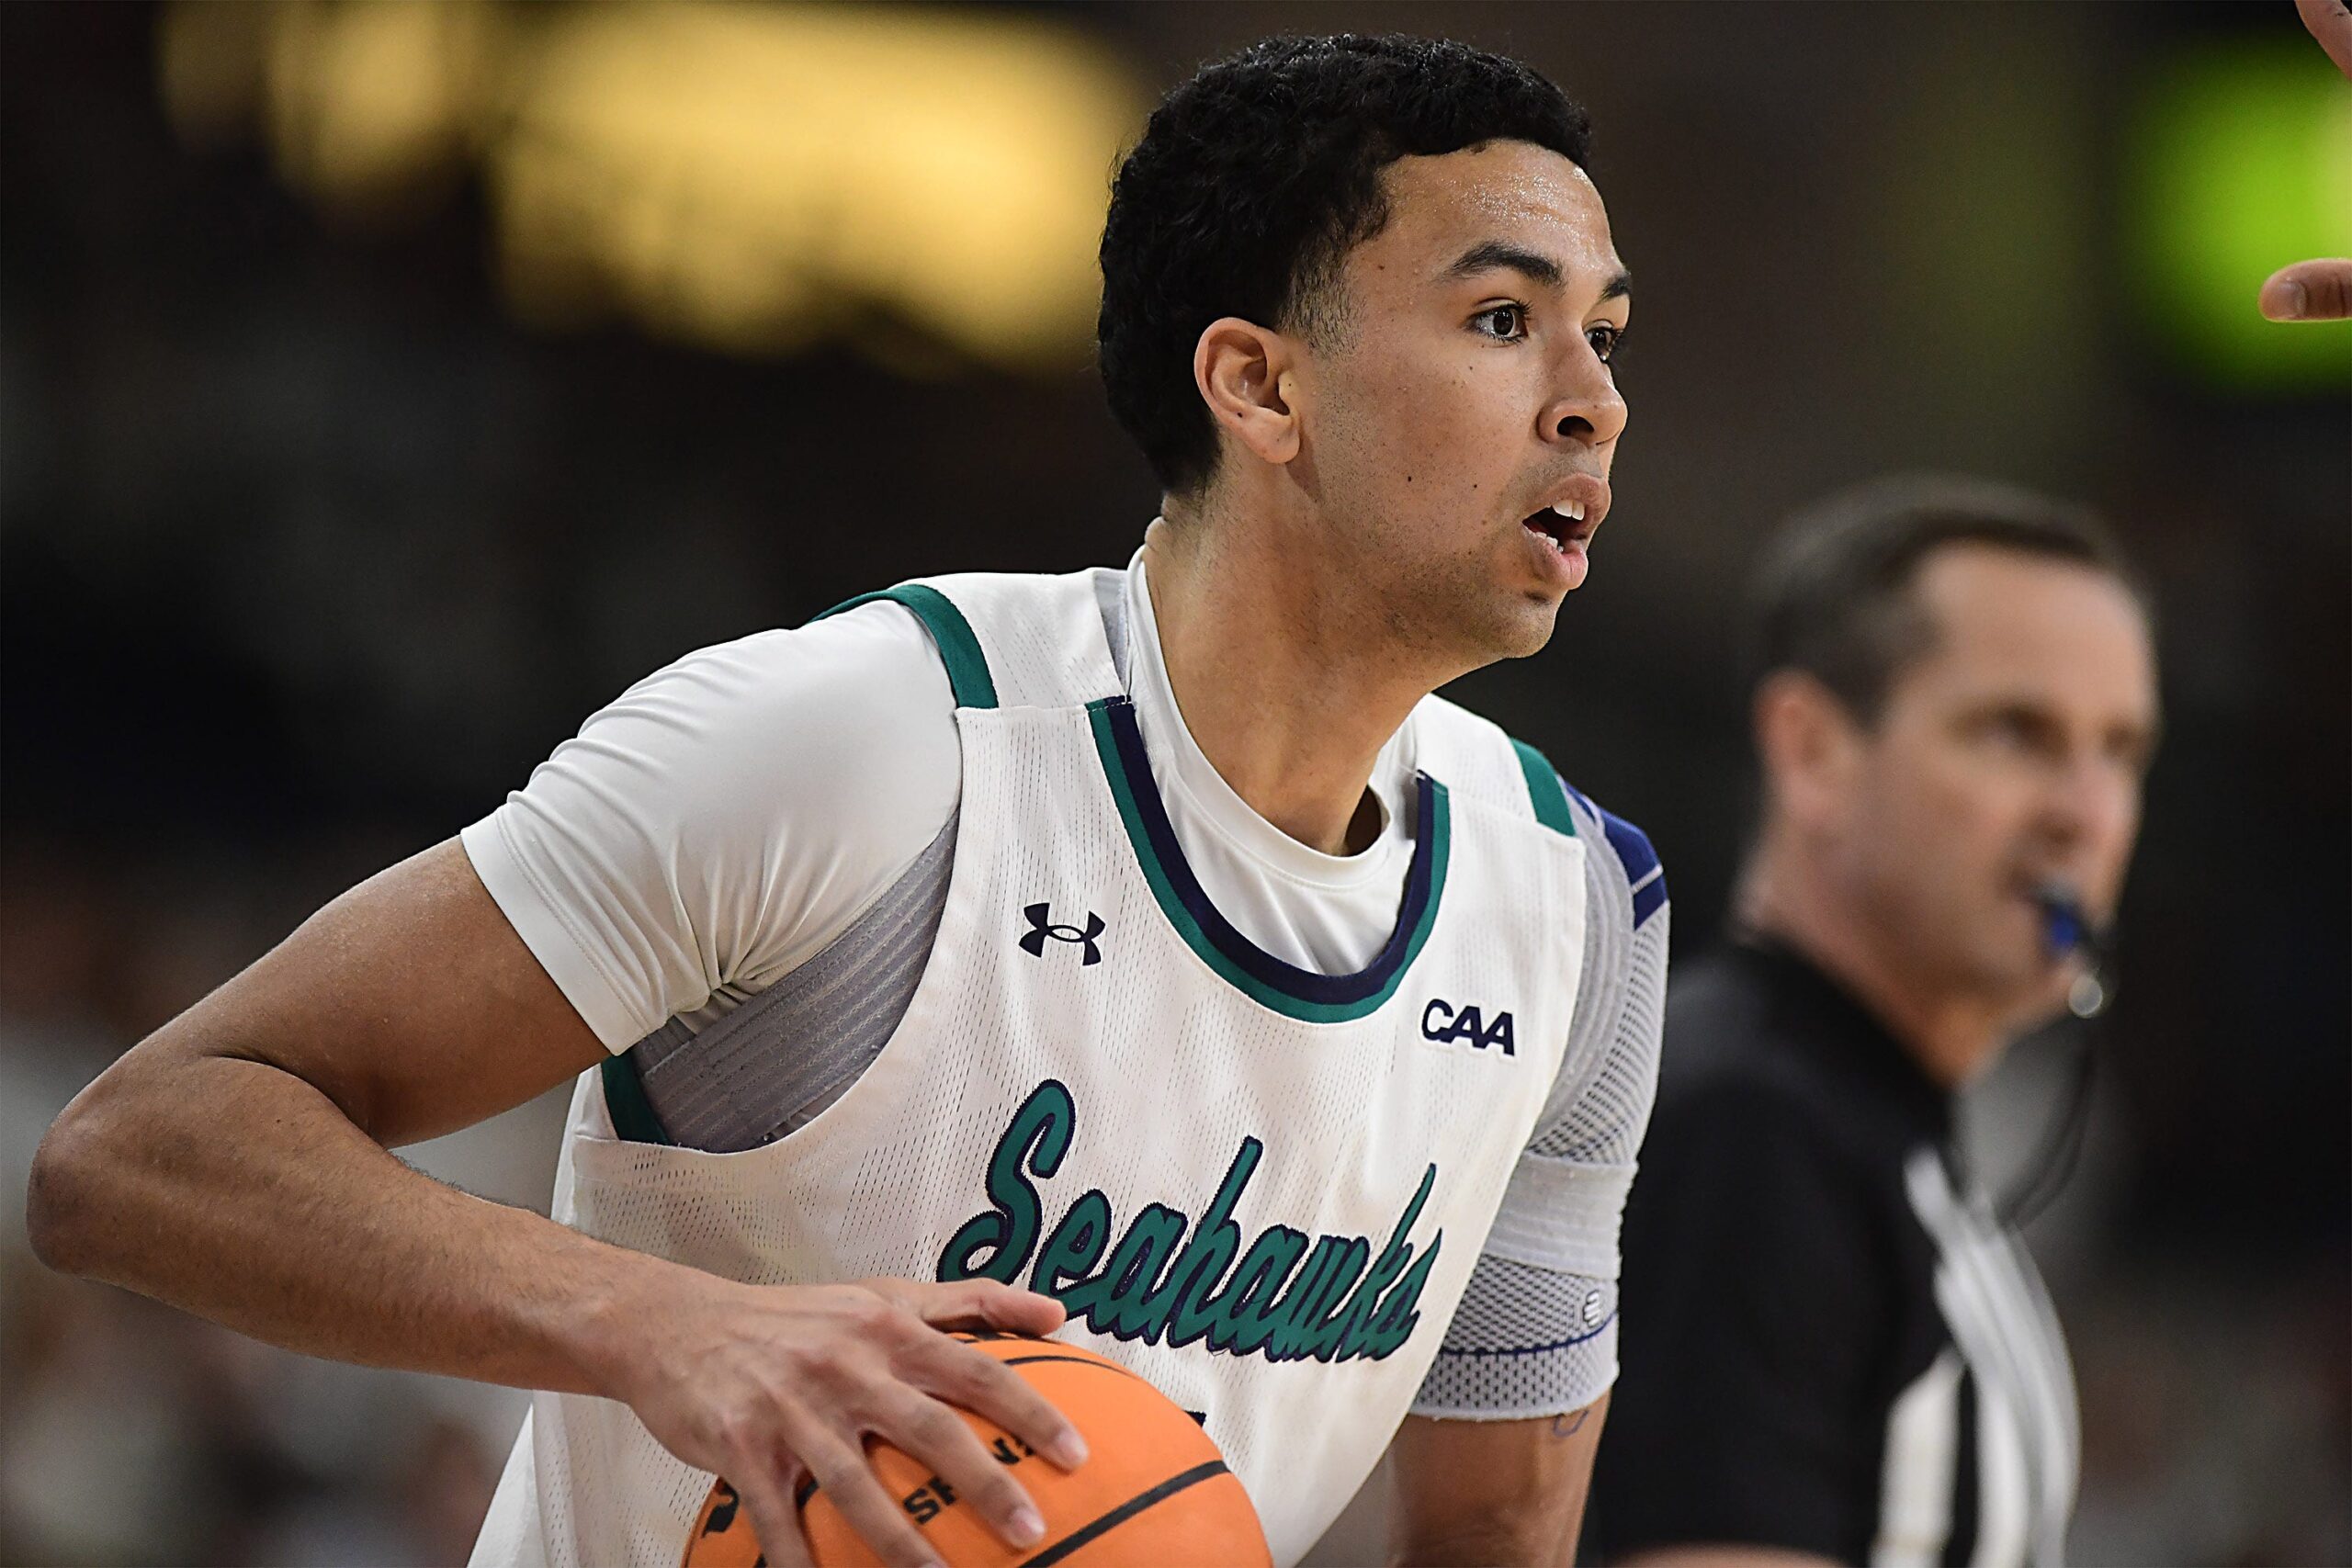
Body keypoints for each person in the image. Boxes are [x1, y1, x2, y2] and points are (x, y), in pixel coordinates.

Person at [28, 35, 1669, 1568]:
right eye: (1501, 320)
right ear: (1259, 385)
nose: (1590, 398)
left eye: (1602, 333)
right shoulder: (872, 740)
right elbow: (138, 1148)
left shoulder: (1577, 908)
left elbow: (1492, 1532)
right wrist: (670, 1325)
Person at [1582, 477, 2159, 1566]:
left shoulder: (1853, 1126)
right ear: (1812, 752)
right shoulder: (1751, 1129)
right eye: (2016, 733)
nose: (2084, 814)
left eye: (2119, 751)